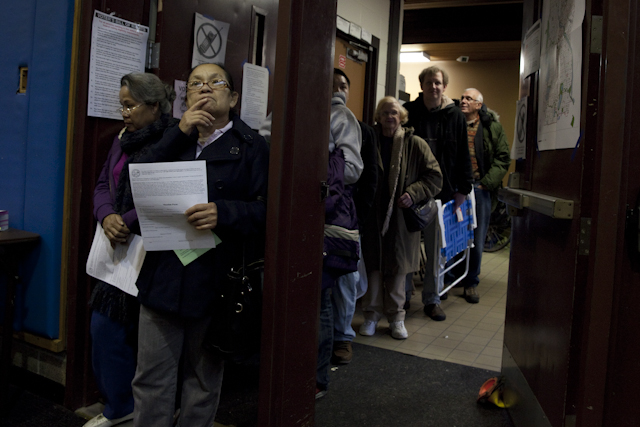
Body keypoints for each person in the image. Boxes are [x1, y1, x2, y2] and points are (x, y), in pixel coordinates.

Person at [131, 63, 269, 426]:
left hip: (216, 281)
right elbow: (136, 181)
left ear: (234, 97)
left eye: (215, 82)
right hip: (163, 276)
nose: (205, 88)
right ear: (185, 96)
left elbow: (269, 212)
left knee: (203, 383)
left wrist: (224, 213)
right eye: (195, 84)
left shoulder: (253, 146)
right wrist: (180, 132)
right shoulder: (170, 136)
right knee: (151, 379)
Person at [87, 73, 180, 427]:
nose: (123, 112)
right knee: (105, 329)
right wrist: (106, 214)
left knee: (147, 340)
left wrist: (125, 219)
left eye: (130, 105)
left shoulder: (172, 140)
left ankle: (140, 412)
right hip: (116, 251)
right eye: (121, 105)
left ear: (155, 107)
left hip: (152, 251)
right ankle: (119, 407)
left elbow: (165, 193)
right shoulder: (122, 139)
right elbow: (101, 184)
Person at [359, 96, 442, 340]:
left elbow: (435, 177)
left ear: (402, 117)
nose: (389, 117)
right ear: (378, 116)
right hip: (372, 217)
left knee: (397, 271)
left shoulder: (414, 143)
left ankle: (396, 318)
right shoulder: (368, 140)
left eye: (394, 112)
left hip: (400, 219)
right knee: (373, 268)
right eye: (384, 112)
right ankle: (371, 316)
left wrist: (412, 194)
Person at [404, 66, 473, 321]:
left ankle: (432, 300)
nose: (434, 86)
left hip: (441, 194)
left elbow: (463, 154)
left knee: (435, 251)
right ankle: (403, 297)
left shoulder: (455, 115)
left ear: (444, 87)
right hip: (410, 191)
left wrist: (463, 189)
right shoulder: (408, 112)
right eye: (429, 82)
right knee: (408, 248)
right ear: (421, 85)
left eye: (438, 83)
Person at [316, 79, 363, 399]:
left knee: (334, 282)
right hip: (291, 213)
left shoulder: (342, 116)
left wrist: (313, 162)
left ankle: (339, 341)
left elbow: (354, 169)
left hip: (331, 215)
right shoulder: (282, 109)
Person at [330, 68, 378, 365]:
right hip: (317, 213)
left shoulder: (359, 127)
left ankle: (343, 336)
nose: (338, 89)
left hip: (347, 215)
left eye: (343, 85)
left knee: (346, 278)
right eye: (333, 84)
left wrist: (359, 215)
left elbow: (368, 176)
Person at [454, 88, 510, 303]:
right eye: (463, 97)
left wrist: (487, 184)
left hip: (480, 188)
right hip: (457, 189)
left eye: (469, 98)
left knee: (477, 238)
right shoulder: (455, 124)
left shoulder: (492, 128)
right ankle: (452, 276)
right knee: (454, 235)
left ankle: (471, 283)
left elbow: (503, 158)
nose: (463, 101)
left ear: (479, 105)